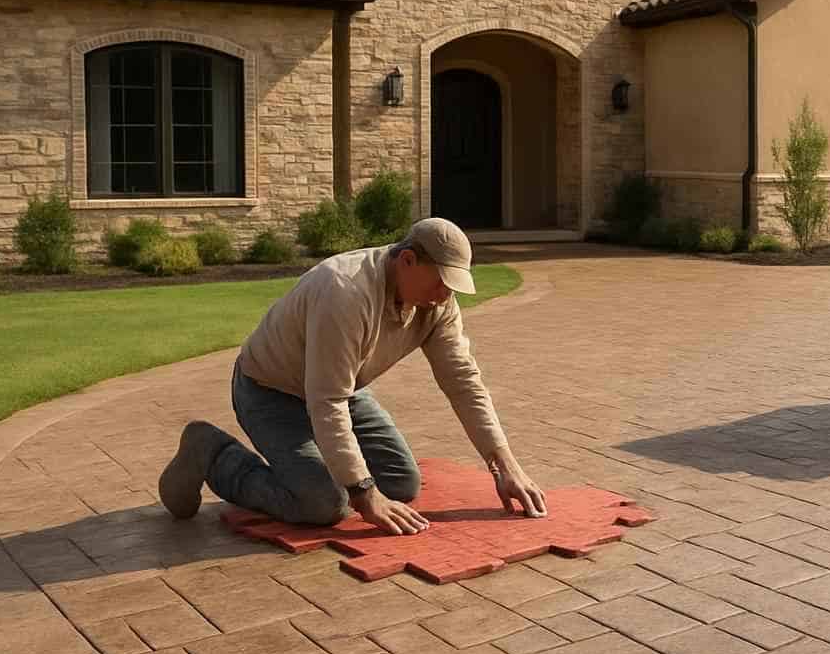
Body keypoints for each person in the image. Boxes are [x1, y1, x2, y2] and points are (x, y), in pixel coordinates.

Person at [158, 217, 546, 534]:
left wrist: (503, 462)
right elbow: (325, 400)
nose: (446, 295)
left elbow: (462, 379)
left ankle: (318, 464)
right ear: (407, 260)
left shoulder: (437, 303)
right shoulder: (344, 291)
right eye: (441, 281)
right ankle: (212, 452)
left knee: (401, 484)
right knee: (325, 503)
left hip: (341, 389)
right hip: (269, 390)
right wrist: (363, 492)